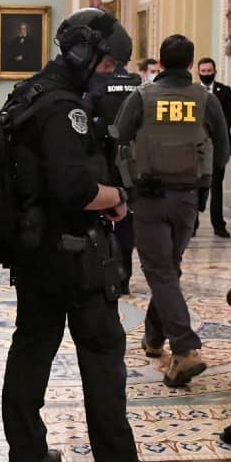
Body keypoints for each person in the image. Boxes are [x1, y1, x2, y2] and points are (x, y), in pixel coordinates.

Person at [1, 7, 164, 462]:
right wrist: (115, 198)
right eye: (109, 65)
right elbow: (73, 186)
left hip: (33, 252)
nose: (111, 74)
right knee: (103, 351)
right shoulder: (64, 109)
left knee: (31, 349)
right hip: (73, 253)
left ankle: (27, 455)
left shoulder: (28, 93)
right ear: (83, 53)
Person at [113, 35, 230, 387]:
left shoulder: (142, 97)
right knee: (169, 268)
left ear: (160, 63)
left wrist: (125, 189)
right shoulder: (205, 99)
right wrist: (201, 184)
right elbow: (222, 150)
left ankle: (185, 347)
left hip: (148, 197)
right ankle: (153, 337)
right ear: (192, 65)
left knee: (161, 271)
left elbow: (118, 140)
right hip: (186, 199)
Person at [86, 58, 142, 291]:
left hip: (103, 162)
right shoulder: (137, 85)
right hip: (131, 162)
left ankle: (102, 271)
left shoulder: (97, 86)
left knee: (100, 218)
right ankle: (124, 276)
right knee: (127, 222)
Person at [196, 57, 231, 238]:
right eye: (202, 72)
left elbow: (229, 117)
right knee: (194, 185)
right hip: (195, 147)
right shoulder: (193, 91)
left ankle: (219, 225)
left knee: (216, 186)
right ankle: (193, 224)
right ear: (198, 73)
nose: (206, 74)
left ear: (215, 71)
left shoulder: (224, 91)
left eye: (209, 71)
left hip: (216, 146)